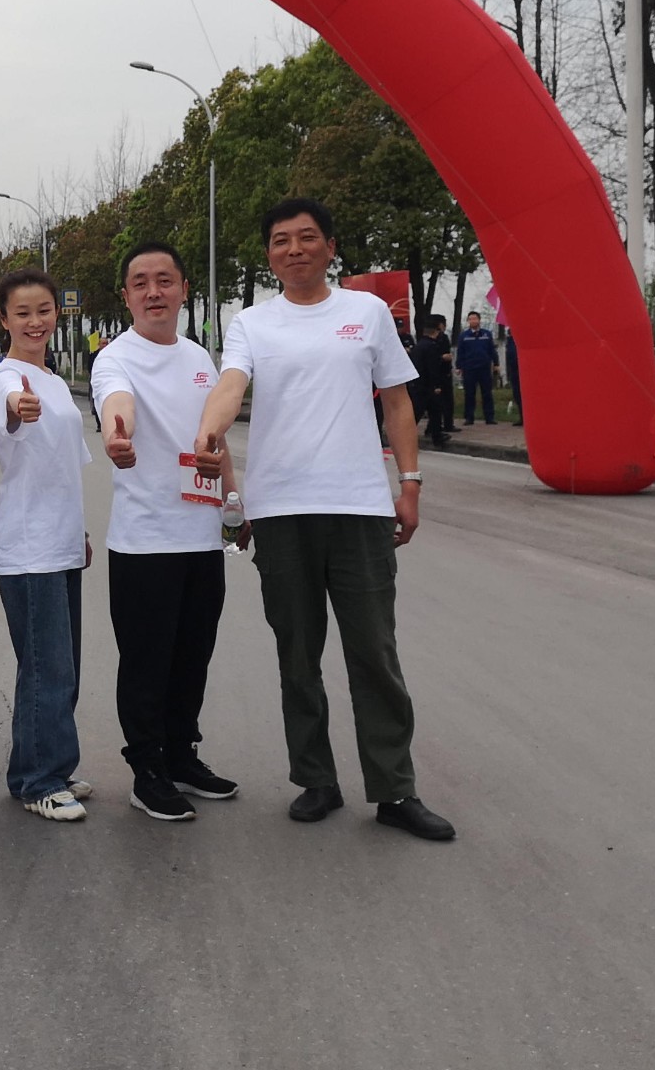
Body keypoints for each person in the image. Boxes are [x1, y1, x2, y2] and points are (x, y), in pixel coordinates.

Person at [195, 199, 455, 842]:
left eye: (307, 237)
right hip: (281, 512)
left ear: (330, 247)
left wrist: (410, 483)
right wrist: (211, 427)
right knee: (297, 653)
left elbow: (397, 403)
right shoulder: (252, 322)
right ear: (269, 255)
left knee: (374, 653)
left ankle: (395, 789)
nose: (295, 249)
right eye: (281, 240)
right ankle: (316, 779)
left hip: (359, 507)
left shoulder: (365, 313)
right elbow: (232, 384)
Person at [92, 244, 243, 825]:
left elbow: (216, 439)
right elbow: (117, 405)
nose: (153, 292)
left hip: (201, 539)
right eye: (140, 283)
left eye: (164, 280)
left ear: (183, 289)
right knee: (146, 663)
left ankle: (182, 755)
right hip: (145, 543)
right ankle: (147, 770)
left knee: (192, 657)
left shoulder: (200, 357)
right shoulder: (114, 359)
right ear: (126, 295)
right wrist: (117, 435)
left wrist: (233, 504)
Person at [0, 269, 93, 823]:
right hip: (29, 547)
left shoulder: (54, 380)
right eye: (22, 313)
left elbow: (65, 467)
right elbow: (10, 407)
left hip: (62, 542)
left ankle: (41, 766)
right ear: (4, 320)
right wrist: (16, 408)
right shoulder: (6, 378)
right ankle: (39, 782)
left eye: (44, 310)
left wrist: (81, 533)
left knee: (60, 667)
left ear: (57, 314)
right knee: (47, 670)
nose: (35, 322)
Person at [409, 317, 450, 448]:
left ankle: (436, 435)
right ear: (436, 331)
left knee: (432, 411)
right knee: (429, 411)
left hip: (417, 384)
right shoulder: (432, 347)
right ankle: (435, 437)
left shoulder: (418, 346)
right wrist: (436, 385)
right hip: (428, 386)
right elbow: (432, 368)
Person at [457, 310, 498, 425]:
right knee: (469, 393)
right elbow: (460, 352)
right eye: (470, 319)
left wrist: (496, 363)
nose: (473, 321)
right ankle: (469, 417)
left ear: (479, 320)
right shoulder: (464, 336)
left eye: (475, 319)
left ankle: (489, 417)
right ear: (468, 321)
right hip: (469, 368)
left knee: (487, 393)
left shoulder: (486, 334)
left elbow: (492, 350)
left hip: (484, 368)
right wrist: (459, 366)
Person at [506, 330, 523, 427]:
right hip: (514, 371)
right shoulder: (510, 340)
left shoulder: (522, 338)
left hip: (523, 370)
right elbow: (509, 356)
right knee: (517, 395)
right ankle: (522, 417)